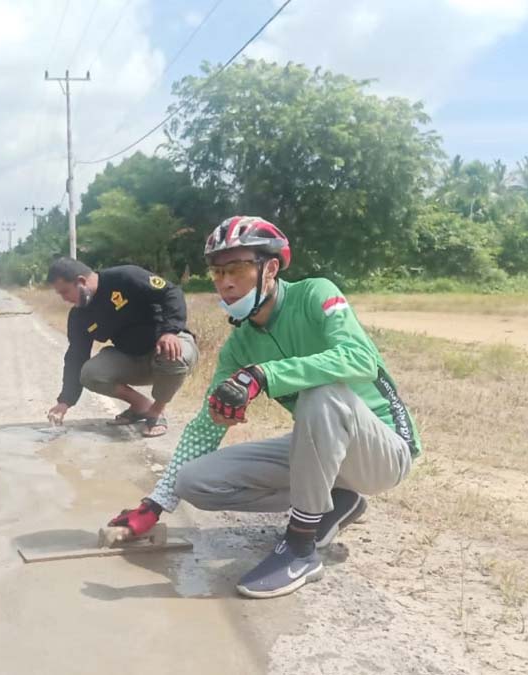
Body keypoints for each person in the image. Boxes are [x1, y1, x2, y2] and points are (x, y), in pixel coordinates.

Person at [105, 216, 420, 598]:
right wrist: (155, 503)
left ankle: (301, 548)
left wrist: (264, 374)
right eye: (217, 271)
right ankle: (337, 501)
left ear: (270, 268)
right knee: (195, 480)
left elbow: (360, 359)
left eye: (236, 268)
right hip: (327, 453)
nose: (225, 282)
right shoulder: (239, 346)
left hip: (384, 451)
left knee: (320, 393)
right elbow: (205, 427)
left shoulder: (316, 293)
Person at [45, 258, 199, 438]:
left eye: (65, 292)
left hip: (169, 343)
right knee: (89, 373)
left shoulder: (125, 277)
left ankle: (157, 411)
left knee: (173, 353)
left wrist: (170, 331)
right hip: (133, 357)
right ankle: (142, 406)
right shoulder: (79, 315)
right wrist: (65, 401)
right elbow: (76, 356)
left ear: (81, 281)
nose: (65, 299)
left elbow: (171, 293)